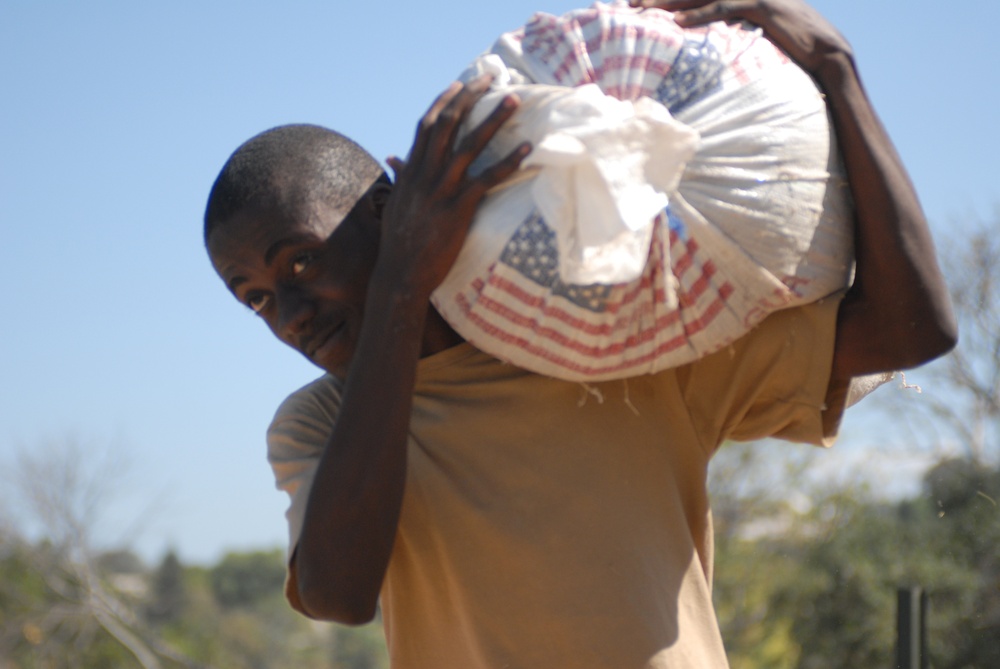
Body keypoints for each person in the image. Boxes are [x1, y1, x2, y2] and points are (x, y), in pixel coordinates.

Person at [204, 1, 956, 666]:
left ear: (384, 211)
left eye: (301, 260)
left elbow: (912, 328)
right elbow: (339, 592)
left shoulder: (607, 337)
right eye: (256, 299)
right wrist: (402, 286)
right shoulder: (319, 425)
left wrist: (839, 73)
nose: (290, 312)